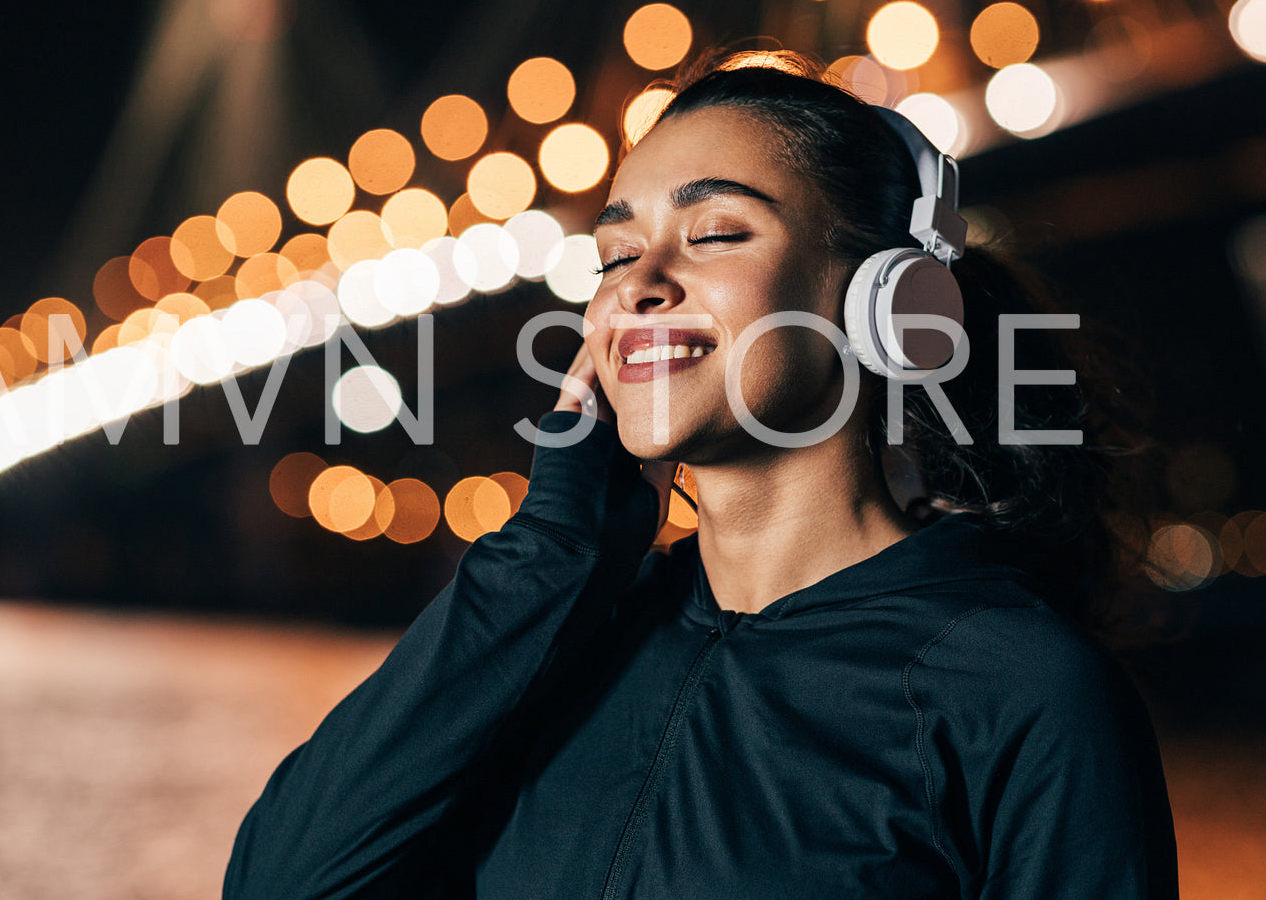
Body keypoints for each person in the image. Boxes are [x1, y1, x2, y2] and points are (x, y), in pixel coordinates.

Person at [223, 52, 1178, 898]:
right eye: (614, 252)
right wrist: (552, 545)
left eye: (717, 232)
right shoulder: (558, 635)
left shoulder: (1016, 688)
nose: (639, 280)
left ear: (893, 302)